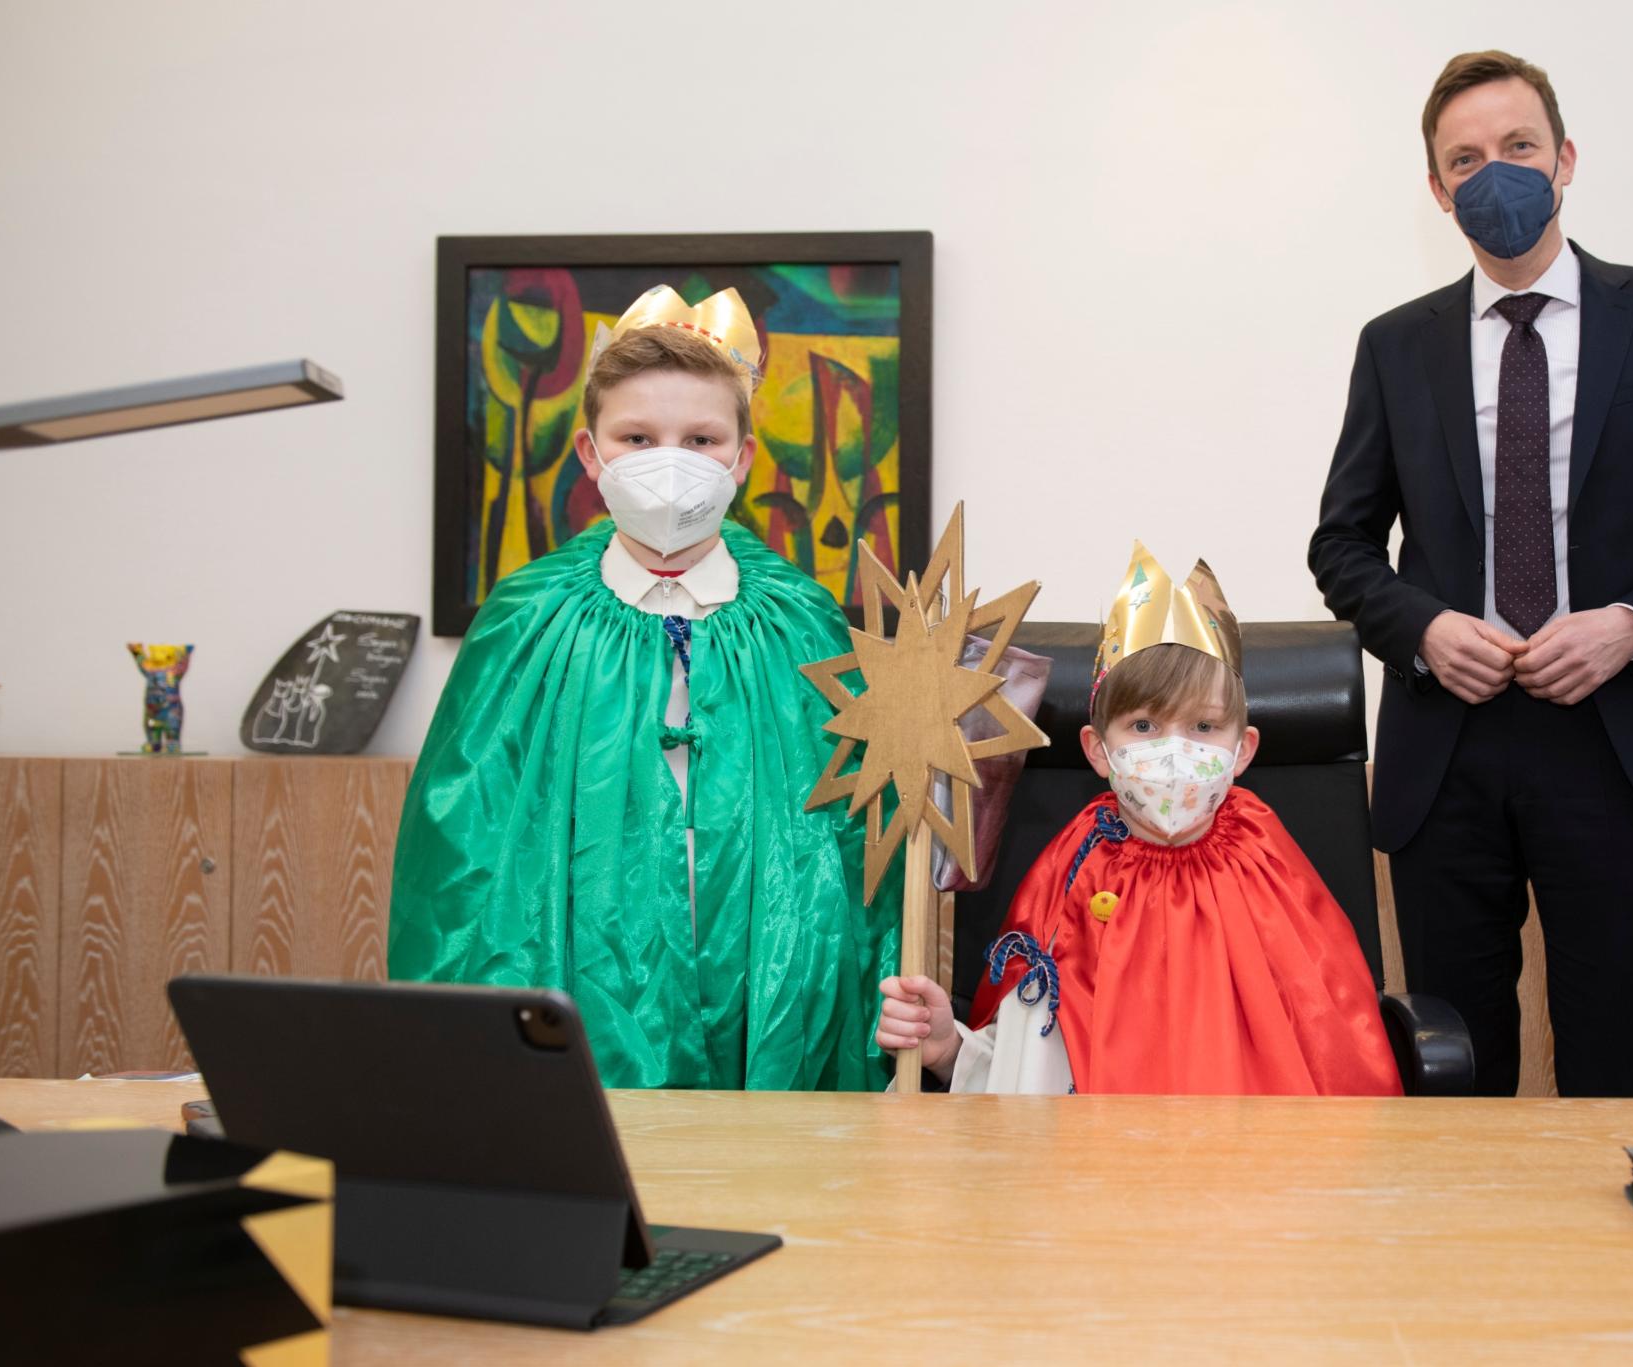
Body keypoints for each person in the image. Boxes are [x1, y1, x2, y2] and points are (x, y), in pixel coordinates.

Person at [1308, 50, 1633, 1096]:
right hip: (1448, 746)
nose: (1496, 174)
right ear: (1437, 190)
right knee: (1452, 1068)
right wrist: (1423, 628)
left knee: (1617, 1059)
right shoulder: (1396, 345)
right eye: (1466, 160)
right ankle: (1467, 1262)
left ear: (1565, 159)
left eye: (1518, 147)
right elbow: (1340, 545)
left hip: (1618, 745)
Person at [390, 284, 898, 1090]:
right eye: (638, 437)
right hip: (575, 989)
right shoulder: (527, 618)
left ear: (742, 456)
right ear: (592, 455)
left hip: (765, 996)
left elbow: (860, 835)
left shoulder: (803, 620)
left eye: (701, 438)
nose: (673, 461)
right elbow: (462, 847)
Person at [874, 544, 1402, 1096]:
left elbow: (1330, 1032)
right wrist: (948, 1050)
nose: (1174, 752)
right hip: (1101, 1160)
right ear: (1098, 750)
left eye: (1203, 726)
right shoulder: (1078, 866)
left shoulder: (1267, 859)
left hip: (1255, 1159)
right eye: (1145, 727)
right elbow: (1033, 1050)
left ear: (1243, 750)